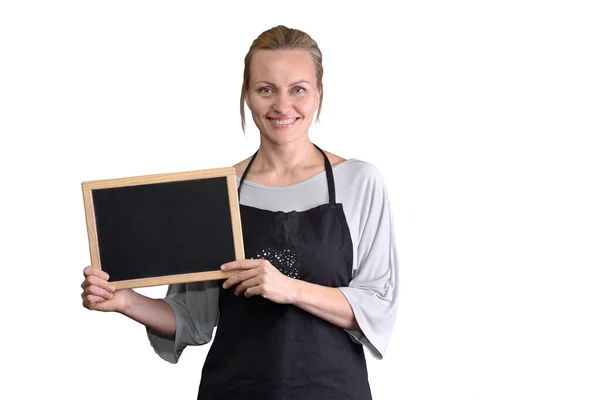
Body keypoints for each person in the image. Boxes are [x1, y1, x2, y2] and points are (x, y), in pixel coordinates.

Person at [81, 25, 399, 399]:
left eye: (298, 89)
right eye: (266, 89)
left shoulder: (359, 181)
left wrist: (288, 288)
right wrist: (125, 301)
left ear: (318, 95)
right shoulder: (217, 190)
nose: (283, 106)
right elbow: (193, 321)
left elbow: (377, 305)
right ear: (247, 95)